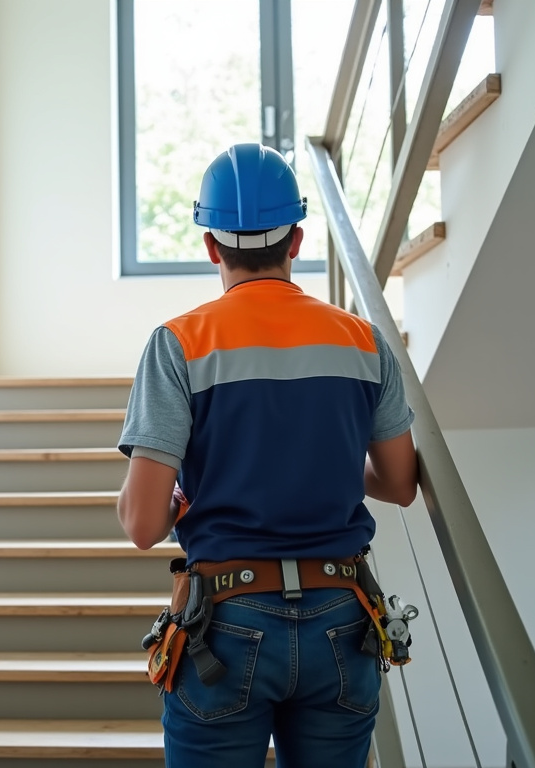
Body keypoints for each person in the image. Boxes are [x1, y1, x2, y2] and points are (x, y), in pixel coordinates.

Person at [116, 143, 419, 767]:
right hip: (344, 614)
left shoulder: (178, 345)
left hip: (224, 625)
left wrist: (183, 494)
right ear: (297, 240)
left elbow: (143, 524)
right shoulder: (363, 341)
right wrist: (331, 468)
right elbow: (399, 482)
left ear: (210, 246)